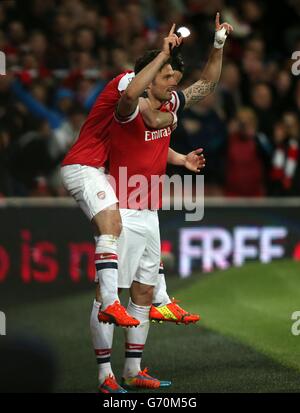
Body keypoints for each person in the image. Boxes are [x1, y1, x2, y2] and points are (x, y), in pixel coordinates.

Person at [93, 15, 233, 392]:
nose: (174, 82)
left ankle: (132, 371)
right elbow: (131, 103)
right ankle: (105, 376)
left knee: (142, 293)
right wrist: (160, 57)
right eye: (167, 76)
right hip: (118, 209)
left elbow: (208, 83)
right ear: (150, 76)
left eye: (174, 77)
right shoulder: (128, 109)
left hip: (149, 211)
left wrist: (217, 44)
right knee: (110, 298)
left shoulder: (169, 103)